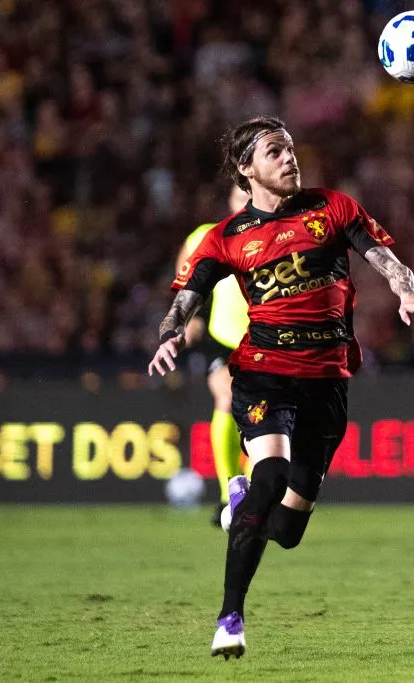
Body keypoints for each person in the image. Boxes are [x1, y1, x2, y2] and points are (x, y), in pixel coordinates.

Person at [148, 116, 414, 659]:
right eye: (274, 151)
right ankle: (230, 618)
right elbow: (185, 300)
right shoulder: (225, 238)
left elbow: (386, 259)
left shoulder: (332, 208)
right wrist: (168, 335)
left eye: (289, 148)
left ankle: (242, 506)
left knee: (286, 530)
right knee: (270, 473)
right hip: (263, 370)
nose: (289, 158)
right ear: (246, 170)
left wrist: (407, 293)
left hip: (327, 379)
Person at [176, 184, 252, 526]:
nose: (247, 204)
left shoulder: (281, 235)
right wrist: (188, 317)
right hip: (224, 339)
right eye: (241, 197)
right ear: (230, 201)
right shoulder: (209, 236)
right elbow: (185, 274)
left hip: (269, 342)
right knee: (227, 398)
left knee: (264, 418)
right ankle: (228, 493)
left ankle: (254, 490)